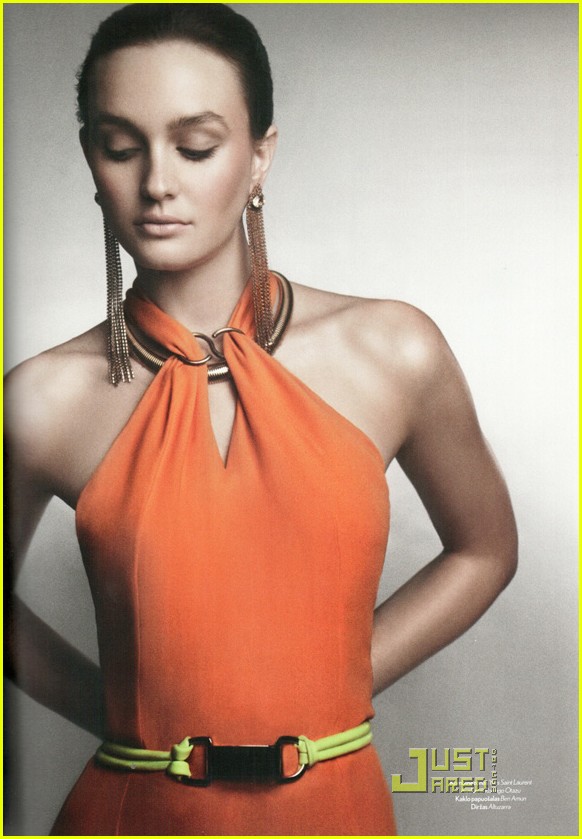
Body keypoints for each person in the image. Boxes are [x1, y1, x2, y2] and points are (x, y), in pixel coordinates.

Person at [4, 3, 517, 835]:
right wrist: (120, 707)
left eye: (195, 146)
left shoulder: (392, 350)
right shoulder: (41, 399)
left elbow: (487, 548)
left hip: (336, 809)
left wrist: (337, 679)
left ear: (259, 155)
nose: (157, 182)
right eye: (122, 147)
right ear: (92, 159)